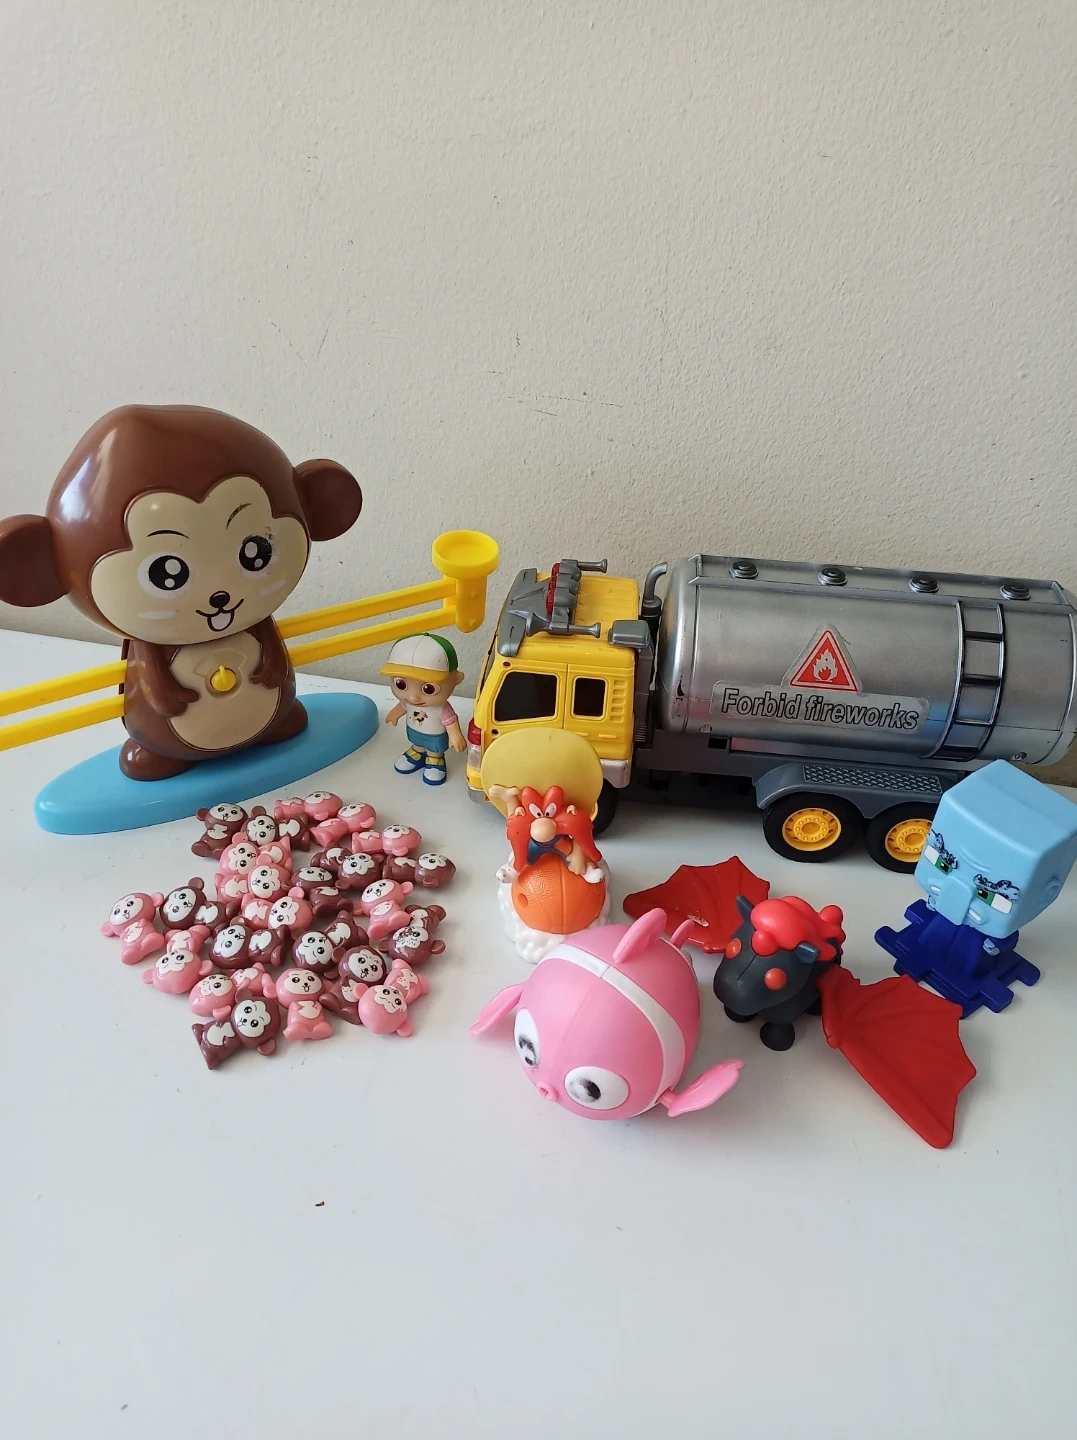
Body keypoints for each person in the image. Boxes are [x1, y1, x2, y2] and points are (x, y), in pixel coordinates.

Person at [381, 632, 466, 786]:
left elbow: (450, 722)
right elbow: (402, 706)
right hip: (415, 730)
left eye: (428, 688)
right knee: (417, 742)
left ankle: (435, 760)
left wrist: (455, 736)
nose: (413, 697)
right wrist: (395, 714)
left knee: (434, 749)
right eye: (401, 684)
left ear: (456, 679)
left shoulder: (442, 708)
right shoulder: (408, 701)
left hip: (435, 736)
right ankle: (417, 753)